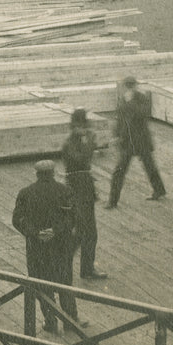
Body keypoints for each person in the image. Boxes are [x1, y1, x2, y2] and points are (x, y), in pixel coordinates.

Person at [12, 160, 80, 335]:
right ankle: (70, 321)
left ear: (37, 173)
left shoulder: (26, 193)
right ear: (53, 173)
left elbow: (18, 220)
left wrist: (35, 233)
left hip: (38, 248)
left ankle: (50, 322)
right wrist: (55, 230)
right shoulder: (65, 191)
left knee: (42, 285)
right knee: (65, 283)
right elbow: (73, 218)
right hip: (61, 247)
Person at [61, 109, 108, 280]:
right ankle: (71, 264)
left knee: (87, 232)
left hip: (84, 189)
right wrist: (91, 143)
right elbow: (81, 160)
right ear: (74, 127)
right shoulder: (69, 144)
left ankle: (85, 269)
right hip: (77, 190)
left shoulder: (77, 141)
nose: (83, 130)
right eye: (80, 127)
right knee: (83, 232)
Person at [106, 76, 166, 207]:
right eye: (127, 86)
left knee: (150, 167)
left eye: (130, 86)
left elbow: (143, 114)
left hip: (141, 141)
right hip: (127, 142)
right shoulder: (123, 100)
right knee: (119, 171)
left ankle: (159, 190)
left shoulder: (141, 99)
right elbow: (119, 120)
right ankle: (112, 201)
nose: (128, 89)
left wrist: (130, 102)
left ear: (134, 86)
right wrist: (116, 135)